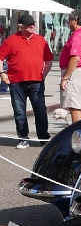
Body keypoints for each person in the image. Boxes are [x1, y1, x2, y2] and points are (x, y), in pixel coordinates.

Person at [0, 13, 54, 148]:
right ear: (21, 26)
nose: (32, 26)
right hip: (16, 82)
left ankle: (44, 138)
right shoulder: (11, 40)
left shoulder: (41, 40)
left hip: (37, 81)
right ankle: (23, 138)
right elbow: (0, 58)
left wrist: (44, 73)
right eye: (29, 25)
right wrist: (2, 73)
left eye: (33, 24)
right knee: (19, 111)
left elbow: (49, 59)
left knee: (40, 110)